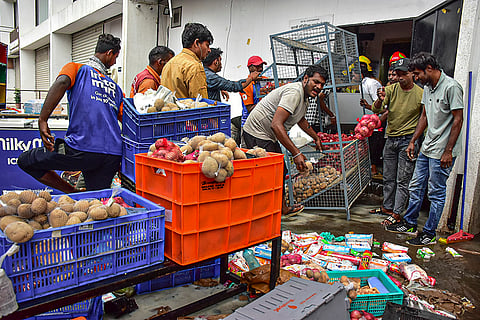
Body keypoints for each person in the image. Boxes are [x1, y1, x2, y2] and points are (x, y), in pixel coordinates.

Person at [17, 34, 124, 193]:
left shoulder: (76, 68)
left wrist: (43, 120)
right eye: (115, 57)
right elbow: (126, 117)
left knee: (26, 161)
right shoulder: (115, 88)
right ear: (109, 53)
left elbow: (62, 82)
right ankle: (84, 199)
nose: (115, 62)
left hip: (81, 150)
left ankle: (72, 192)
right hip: (111, 156)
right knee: (95, 202)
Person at [386, 52, 464, 246]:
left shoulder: (451, 87)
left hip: (443, 150)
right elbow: (424, 117)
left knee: (436, 192)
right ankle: (410, 222)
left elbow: (458, 119)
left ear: (429, 69)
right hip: (427, 146)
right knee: (415, 185)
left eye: (418, 73)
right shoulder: (428, 87)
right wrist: (413, 141)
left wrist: (448, 150)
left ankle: (429, 233)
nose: (416, 78)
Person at [242, 64, 328, 216]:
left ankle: (280, 208)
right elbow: (276, 124)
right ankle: (260, 212)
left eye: (321, 84)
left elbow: (300, 119)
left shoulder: (305, 98)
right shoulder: (295, 92)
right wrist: (296, 153)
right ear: (306, 79)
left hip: (268, 134)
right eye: (315, 82)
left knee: (280, 170)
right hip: (258, 133)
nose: (318, 86)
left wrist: (316, 137)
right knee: (267, 174)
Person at [369, 58, 423, 226]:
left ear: (413, 74)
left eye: (404, 74)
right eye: (397, 74)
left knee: (403, 179)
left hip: (408, 140)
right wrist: (379, 98)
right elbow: (376, 109)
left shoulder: (421, 94)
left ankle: (397, 213)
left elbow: (424, 118)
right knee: (388, 176)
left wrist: (415, 141)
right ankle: (387, 207)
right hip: (390, 139)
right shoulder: (391, 89)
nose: (400, 78)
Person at [161, 23, 213, 99]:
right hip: (186, 110)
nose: (209, 50)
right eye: (207, 45)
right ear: (196, 43)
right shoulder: (194, 67)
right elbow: (200, 105)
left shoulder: (169, 63)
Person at [357, 55, 383, 177]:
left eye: (354, 73)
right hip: (366, 121)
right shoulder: (362, 83)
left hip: (375, 122)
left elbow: (379, 103)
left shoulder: (371, 83)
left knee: (373, 148)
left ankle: (374, 171)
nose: (353, 76)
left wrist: (372, 123)